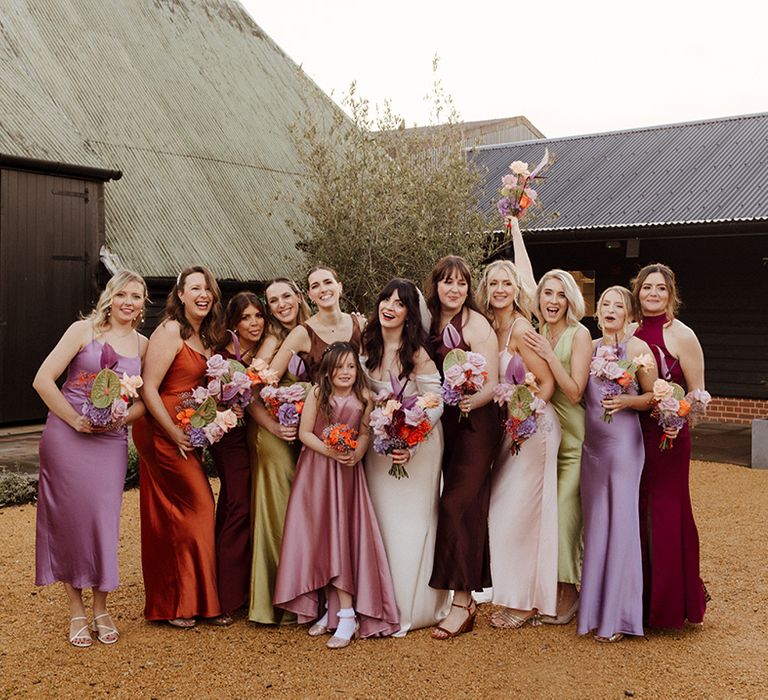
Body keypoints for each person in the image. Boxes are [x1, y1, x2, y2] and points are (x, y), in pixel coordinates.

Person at [33, 270, 148, 647]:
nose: (128, 302)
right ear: (110, 298)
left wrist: (119, 418)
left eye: (136, 296)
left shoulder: (143, 345)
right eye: (122, 295)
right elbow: (43, 379)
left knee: (102, 520)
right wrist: (76, 420)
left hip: (110, 442)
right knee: (69, 522)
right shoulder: (83, 331)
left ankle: (102, 606)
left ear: (143, 304)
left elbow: (144, 402)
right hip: (67, 436)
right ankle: (77, 611)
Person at [273, 342, 399, 648]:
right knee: (321, 537)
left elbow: (366, 432)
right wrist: (330, 449)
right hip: (316, 473)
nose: (345, 373)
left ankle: (347, 615)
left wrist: (357, 451)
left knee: (342, 536)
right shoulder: (318, 393)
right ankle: (330, 611)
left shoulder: (365, 397)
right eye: (339, 367)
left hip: (346, 474)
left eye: (351, 367)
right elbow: (304, 434)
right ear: (328, 370)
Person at [133, 266, 226, 628]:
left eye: (208, 289)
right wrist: (171, 431)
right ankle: (180, 602)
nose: (203, 294)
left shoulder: (206, 335)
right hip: (162, 432)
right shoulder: (171, 330)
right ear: (181, 295)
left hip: (189, 431)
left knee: (186, 511)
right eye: (195, 288)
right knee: (198, 505)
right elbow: (148, 387)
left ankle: (196, 600)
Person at [510, 217, 591, 623]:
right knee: (542, 514)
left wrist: (546, 351)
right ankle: (544, 588)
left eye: (560, 294)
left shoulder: (579, 335)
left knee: (564, 513)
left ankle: (568, 592)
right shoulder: (536, 326)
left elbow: (575, 390)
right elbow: (523, 277)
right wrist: (515, 227)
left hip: (576, 440)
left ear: (570, 299)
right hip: (545, 436)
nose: (552, 300)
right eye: (547, 293)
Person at [361, 278, 451, 636]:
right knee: (383, 521)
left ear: (409, 313)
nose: (390, 307)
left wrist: (411, 440)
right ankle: (381, 601)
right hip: (378, 449)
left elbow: (435, 403)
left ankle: (413, 607)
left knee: (410, 525)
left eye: (400, 303)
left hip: (419, 447)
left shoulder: (417, 354)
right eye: (386, 299)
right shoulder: (366, 348)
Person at [477, 260, 560, 629]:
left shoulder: (522, 328)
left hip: (533, 429)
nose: (499, 289)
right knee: (504, 510)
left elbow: (545, 383)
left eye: (506, 283)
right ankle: (516, 594)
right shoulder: (487, 326)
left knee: (522, 513)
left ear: (515, 289)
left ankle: (527, 603)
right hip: (509, 430)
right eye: (493, 283)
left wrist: (523, 413)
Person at [425, 256, 501, 639]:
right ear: (436, 284)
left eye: (461, 283)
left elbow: (494, 381)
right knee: (452, 504)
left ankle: (463, 600)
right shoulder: (428, 321)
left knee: (457, 504)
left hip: (477, 423)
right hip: (444, 426)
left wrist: (474, 399)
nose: (454, 289)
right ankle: (454, 591)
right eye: (447, 282)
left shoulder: (477, 323)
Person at [630, 263, 709, 629]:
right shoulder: (628, 332)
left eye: (660, 289)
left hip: (670, 437)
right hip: (634, 435)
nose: (653, 294)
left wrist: (677, 417)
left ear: (670, 293)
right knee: (637, 508)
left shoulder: (683, 335)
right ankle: (637, 598)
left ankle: (669, 604)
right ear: (638, 291)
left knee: (666, 511)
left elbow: (697, 394)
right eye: (647, 288)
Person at [577, 286, 657, 642]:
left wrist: (627, 400)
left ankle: (619, 617)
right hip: (592, 446)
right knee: (595, 526)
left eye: (618, 305)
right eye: (605, 303)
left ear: (629, 313)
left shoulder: (638, 349)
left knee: (622, 524)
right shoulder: (590, 348)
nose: (610, 309)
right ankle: (593, 612)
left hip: (624, 445)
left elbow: (654, 396)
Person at [247, 278, 310, 625]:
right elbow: (250, 395)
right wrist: (272, 428)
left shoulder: (315, 329)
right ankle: (277, 601)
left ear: (299, 297)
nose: (281, 304)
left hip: (308, 432)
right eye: (273, 300)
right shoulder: (273, 340)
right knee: (282, 509)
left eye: (286, 296)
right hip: (276, 432)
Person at [208, 292, 268, 623]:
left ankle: (237, 588)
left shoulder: (263, 351)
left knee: (237, 503)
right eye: (246, 318)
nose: (254, 323)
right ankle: (225, 598)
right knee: (239, 507)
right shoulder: (222, 357)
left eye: (258, 315)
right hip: (229, 437)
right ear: (234, 322)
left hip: (253, 437)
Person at [268, 267, 363, 383]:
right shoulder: (301, 333)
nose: (323, 289)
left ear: (340, 287)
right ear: (310, 295)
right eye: (315, 286)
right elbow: (269, 379)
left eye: (328, 282)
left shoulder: (360, 324)